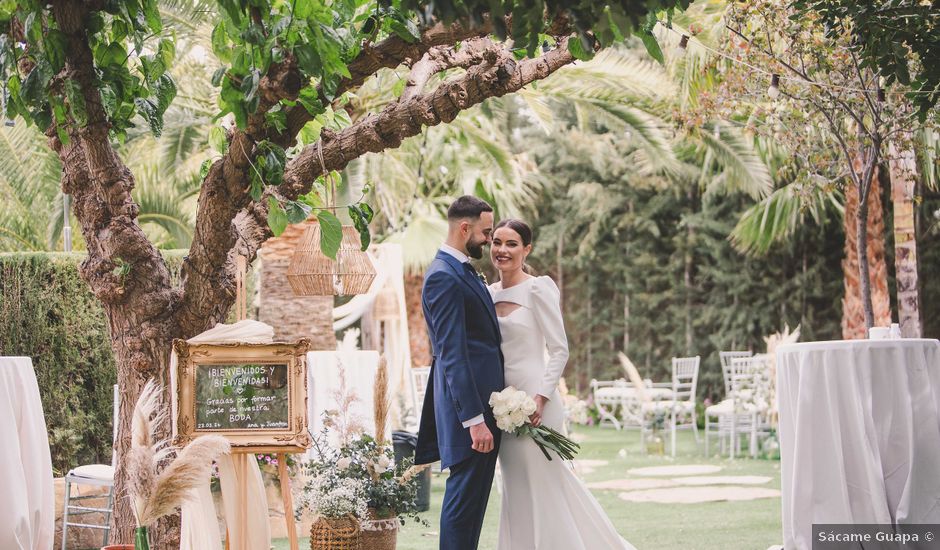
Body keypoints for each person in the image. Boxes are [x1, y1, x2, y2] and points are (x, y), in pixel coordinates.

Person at [488, 218, 636, 550]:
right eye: (497, 242)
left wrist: (539, 398)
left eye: (512, 244)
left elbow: (559, 349)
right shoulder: (487, 293)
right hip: (502, 408)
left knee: (547, 484)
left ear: (527, 249)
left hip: (537, 403)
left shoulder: (538, 287)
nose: (502, 250)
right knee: (515, 487)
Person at [415, 195, 505, 550]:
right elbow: (452, 354)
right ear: (464, 228)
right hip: (469, 413)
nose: (489, 239)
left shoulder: (461, 270)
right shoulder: (443, 277)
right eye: (486, 232)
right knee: (462, 505)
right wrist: (474, 419)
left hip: (484, 408)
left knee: (473, 508)